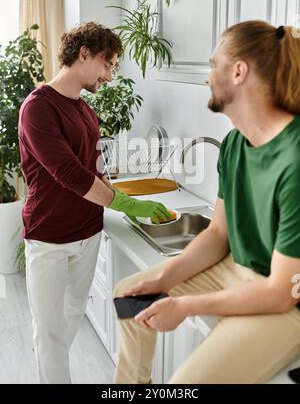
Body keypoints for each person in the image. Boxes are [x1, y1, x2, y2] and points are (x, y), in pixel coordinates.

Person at [113, 20, 300, 384]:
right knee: (129, 297)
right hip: (237, 270)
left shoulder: (294, 158)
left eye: (213, 65)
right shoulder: (234, 144)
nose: (206, 76)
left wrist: (184, 305)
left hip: (286, 299)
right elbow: (217, 235)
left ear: (239, 71)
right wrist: (164, 280)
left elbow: (279, 292)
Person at [18, 22, 172, 384]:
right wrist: (128, 205)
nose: (110, 75)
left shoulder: (85, 111)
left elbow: (92, 168)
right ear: (83, 53)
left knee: (68, 322)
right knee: (51, 333)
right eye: (108, 64)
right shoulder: (37, 108)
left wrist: (124, 193)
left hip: (88, 231)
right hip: (49, 237)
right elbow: (70, 174)